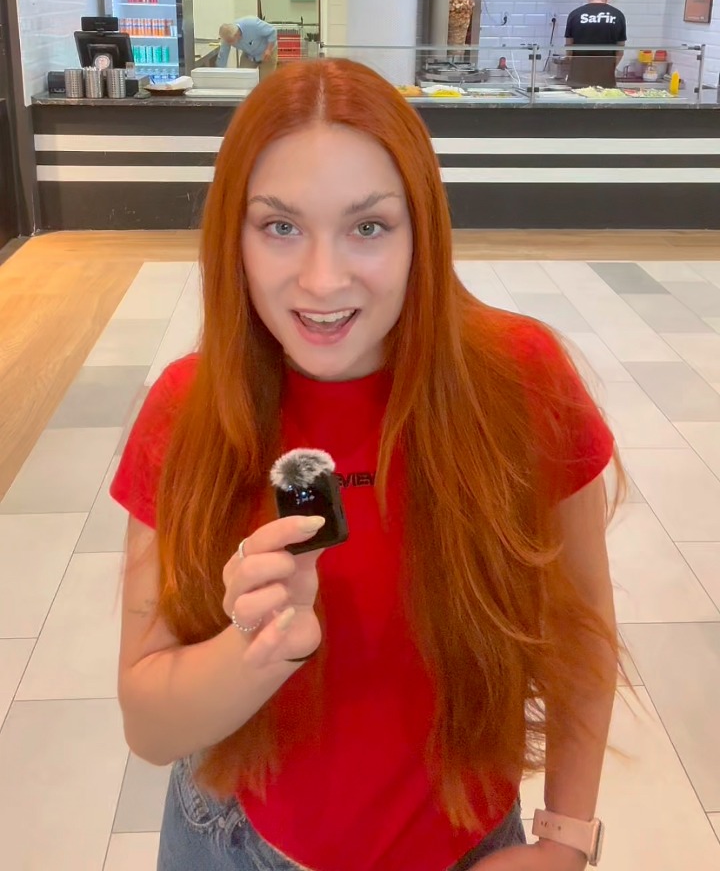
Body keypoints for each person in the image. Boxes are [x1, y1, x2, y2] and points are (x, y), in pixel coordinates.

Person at [112, 59, 622, 871]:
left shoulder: (520, 381)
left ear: (421, 231)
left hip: (466, 843)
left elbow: (582, 635)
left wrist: (566, 838)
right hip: (237, 844)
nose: (323, 280)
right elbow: (149, 725)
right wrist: (261, 646)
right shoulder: (187, 412)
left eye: (369, 227)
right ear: (233, 238)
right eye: (280, 227)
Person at [564, 0, 627, 89]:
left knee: (578, 99)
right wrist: (609, 69)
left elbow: (569, 48)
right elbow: (620, 51)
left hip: (578, 78)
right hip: (606, 79)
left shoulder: (575, 14)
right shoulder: (618, 15)